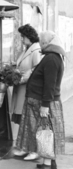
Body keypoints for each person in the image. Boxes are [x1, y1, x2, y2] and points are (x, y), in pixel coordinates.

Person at [15, 31, 65, 169]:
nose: (41, 45)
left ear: (47, 43)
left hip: (43, 102)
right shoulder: (51, 57)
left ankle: (47, 164)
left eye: (42, 42)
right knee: (45, 132)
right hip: (40, 101)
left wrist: (45, 105)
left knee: (46, 133)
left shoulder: (51, 59)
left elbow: (50, 84)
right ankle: (48, 162)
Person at [11, 24, 42, 160]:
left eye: (23, 37)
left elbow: (36, 69)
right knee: (24, 121)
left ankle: (34, 150)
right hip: (22, 89)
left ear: (29, 37)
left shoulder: (36, 50)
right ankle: (25, 147)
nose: (22, 40)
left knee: (30, 120)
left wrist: (21, 78)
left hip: (28, 89)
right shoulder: (27, 49)